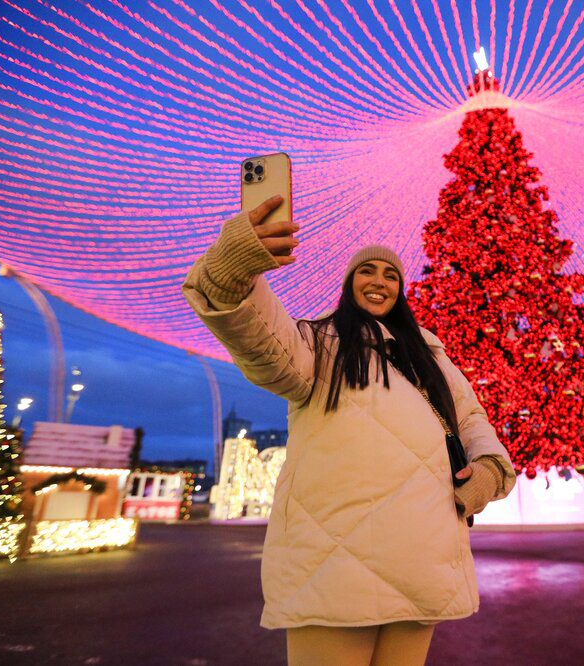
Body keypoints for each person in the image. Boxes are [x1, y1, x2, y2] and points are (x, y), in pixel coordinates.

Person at [183, 195, 516, 666]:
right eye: (367, 271)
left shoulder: (431, 355)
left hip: (422, 557)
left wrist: (489, 469)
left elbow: (471, 420)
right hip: (334, 566)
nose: (379, 281)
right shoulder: (315, 344)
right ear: (349, 283)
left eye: (391, 275)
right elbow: (259, 336)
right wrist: (234, 269)